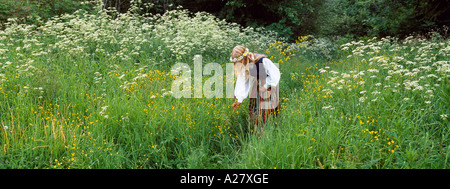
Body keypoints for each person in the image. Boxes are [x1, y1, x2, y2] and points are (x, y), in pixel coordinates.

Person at [230, 45, 281, 133]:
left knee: (267, 110)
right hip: (257, 85)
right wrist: (239, 99)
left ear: (244, 57)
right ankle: (255, 130)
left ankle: (269, 130)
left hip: (269, 86)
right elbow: (242, 81)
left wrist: (265, 87)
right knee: (254, 109)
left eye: (239, 61)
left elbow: (275, 75)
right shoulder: (244, 65)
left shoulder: (263, 60)